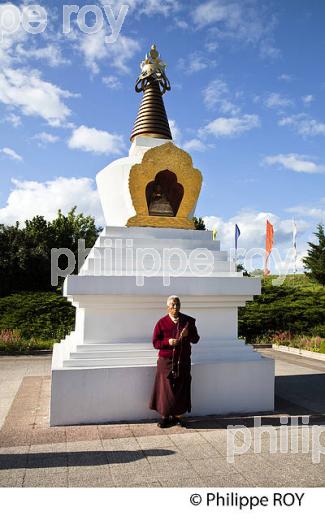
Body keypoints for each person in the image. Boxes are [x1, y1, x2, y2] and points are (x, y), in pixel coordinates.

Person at [149, 295, 200, 428]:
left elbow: (196, 339)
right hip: (166, 361)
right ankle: (165, 416)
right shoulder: (162, 323)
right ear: (168, 307)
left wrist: (188, 334)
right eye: (173, 305)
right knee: (165, 389)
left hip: (183, 360)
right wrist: (168, 342)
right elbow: (155, 343)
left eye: (177, 304)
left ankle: (178, 416)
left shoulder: (188, 321)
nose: (176, 307)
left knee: (181, 388)